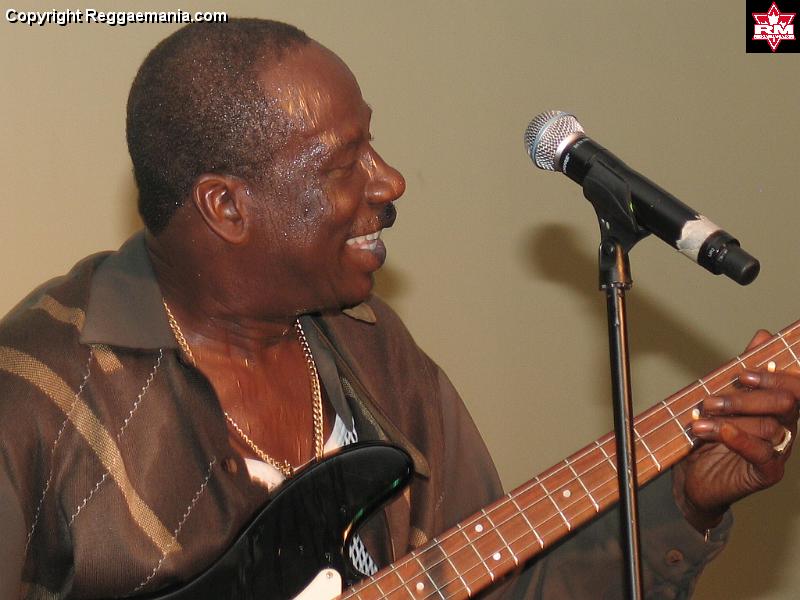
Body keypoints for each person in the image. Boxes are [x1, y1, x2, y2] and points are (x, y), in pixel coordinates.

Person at [0, 19, 798, 599]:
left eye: (371, 145)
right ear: (227, 207)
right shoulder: (40, 390)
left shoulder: (375, 352)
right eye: (344, 162)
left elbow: (499, 588)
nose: (390, 181)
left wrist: (685, 503)